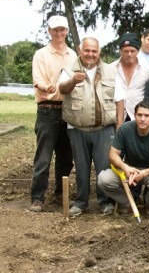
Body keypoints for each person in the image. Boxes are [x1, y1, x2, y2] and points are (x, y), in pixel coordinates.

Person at [59, 37, 124, 216]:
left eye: (94, 51)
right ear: (80, 50)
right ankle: (81, 202)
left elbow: (119, 100)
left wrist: (119, 125)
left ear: (99, 52)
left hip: (104, 129)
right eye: (87, 50)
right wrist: (72, 81)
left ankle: (105, 202)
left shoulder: (111, 71)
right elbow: (62, 89)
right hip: (77, 129)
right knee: (81, 168)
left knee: (104, 168)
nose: (90, 54)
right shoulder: (69, 70)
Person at [29, 15, 76, 212]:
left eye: (62, 30)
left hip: (67, 110)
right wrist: (49, 87)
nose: (59, 33)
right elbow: (39, 81)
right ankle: (37, 197)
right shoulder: (41, 54)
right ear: (49, 31)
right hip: (47, 110)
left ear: (66, 31)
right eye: (55, 30)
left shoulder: (73, 55)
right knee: (44, 156)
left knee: (66, 156)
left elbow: (75, 82)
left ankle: (59, 193)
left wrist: (57, 87)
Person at [98, 101, 149, 216]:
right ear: (135, 115)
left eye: (147, 116)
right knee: (104, 179)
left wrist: (144, 173)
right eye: (139, 115)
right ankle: (127, 204)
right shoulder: (125, 129)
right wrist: (124, 167)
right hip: (129, 170)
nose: (142, 119)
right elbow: (113, 154)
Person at [111, 32, 149, 121]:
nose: (129, 54)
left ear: (138, 51)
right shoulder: (110, 69)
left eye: (132, 51)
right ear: (120, 51)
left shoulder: (148, 71)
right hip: (115, 117)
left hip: (139, 118)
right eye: (126, 51)